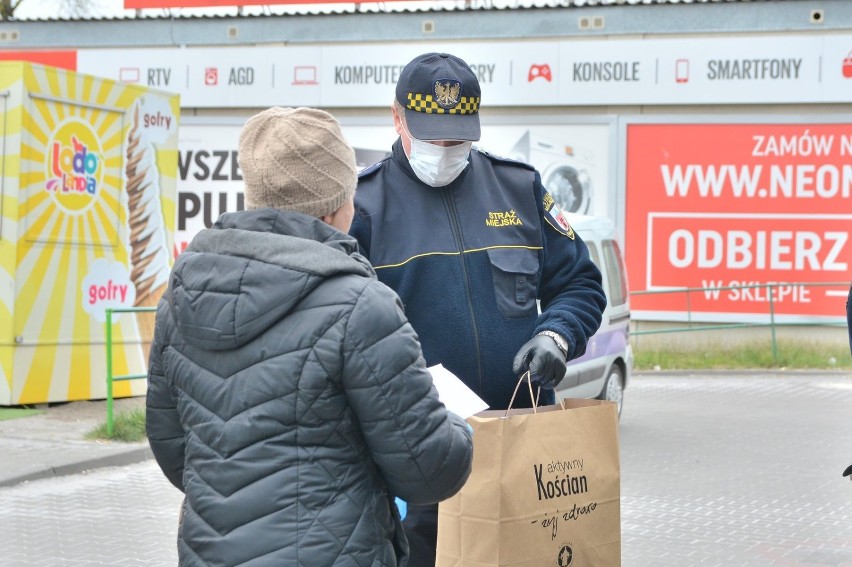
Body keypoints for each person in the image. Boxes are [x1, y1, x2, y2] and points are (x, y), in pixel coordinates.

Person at [145, 106, 473, 566]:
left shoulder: (180, 296)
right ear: (341, 204)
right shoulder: (361, 307)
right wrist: (454, 422)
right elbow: (430, 471)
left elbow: (173, 450)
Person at [350, 52, 608, 566]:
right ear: (397, 117)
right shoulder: (362, 206)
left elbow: (581, 283)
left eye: (457, 139)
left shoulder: (519, 188)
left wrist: (556, 336)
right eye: (431, 138)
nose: (444, 151)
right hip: (414, 461)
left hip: (518, 452)